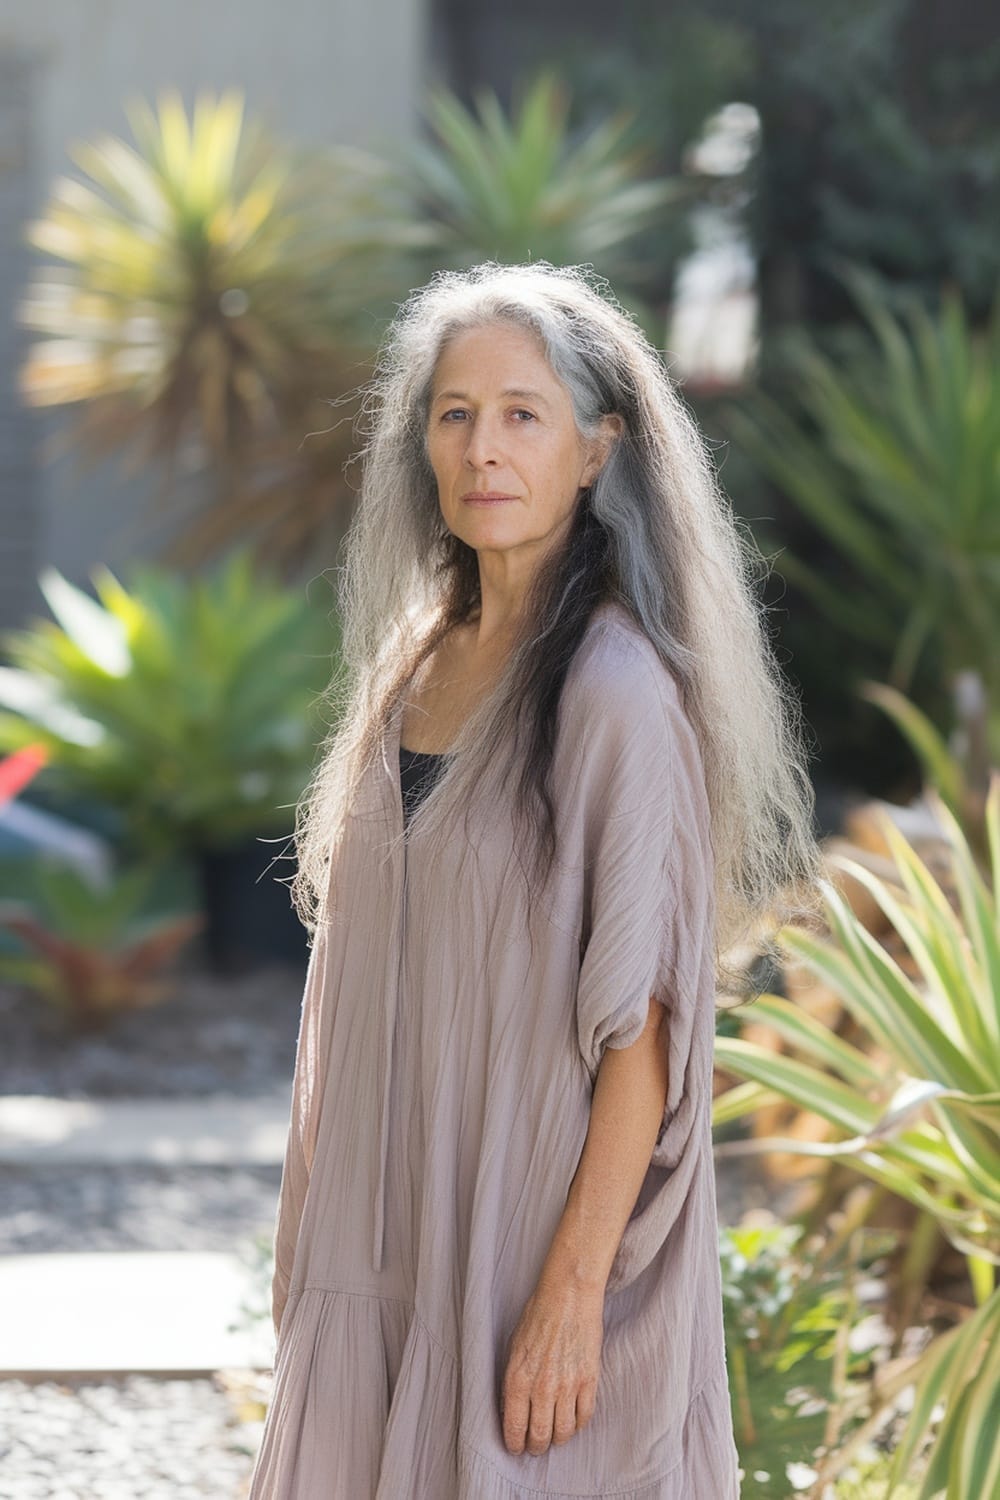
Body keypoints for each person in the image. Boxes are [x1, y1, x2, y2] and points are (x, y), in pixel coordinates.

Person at [247, 260, 823, 1499]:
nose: (482, 448)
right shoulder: (411, 668)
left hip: (519, 1256)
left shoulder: (615, 691)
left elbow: (646, 1036)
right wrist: (308, 1252)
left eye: (523, 414)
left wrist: (570, 1293)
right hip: (374, 1253)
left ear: (596, 448)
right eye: (454, 413)